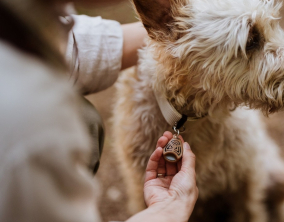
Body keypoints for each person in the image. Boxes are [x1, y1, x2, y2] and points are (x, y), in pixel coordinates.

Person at [0, 0, 198, 221]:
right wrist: (170, 212)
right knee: (84, 122)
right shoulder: (34, 121)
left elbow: (72, 47)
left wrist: (180, 31)